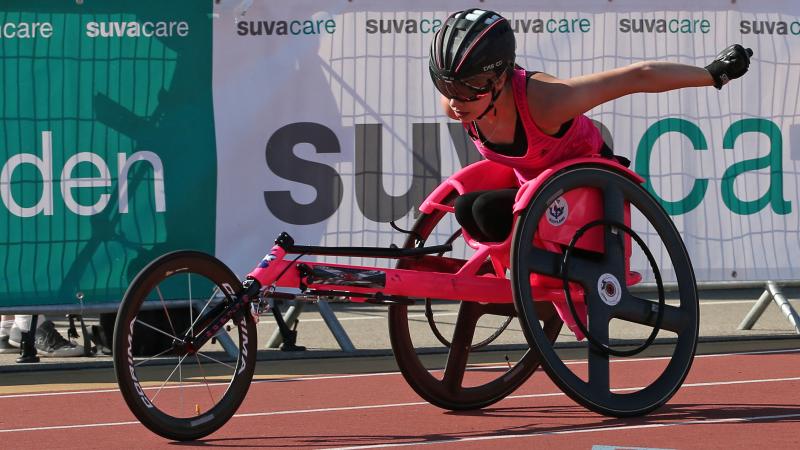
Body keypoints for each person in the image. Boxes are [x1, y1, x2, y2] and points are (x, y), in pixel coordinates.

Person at [429, 8, 752, 243]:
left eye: (468, 88)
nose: (456, 100)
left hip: (586, 194)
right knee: (468, 207)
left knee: (484, 208)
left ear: (500, 77)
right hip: (534, 194)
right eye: (447, 87)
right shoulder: (456, 104)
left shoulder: (547, 101)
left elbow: (637, 76)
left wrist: (712, 74)